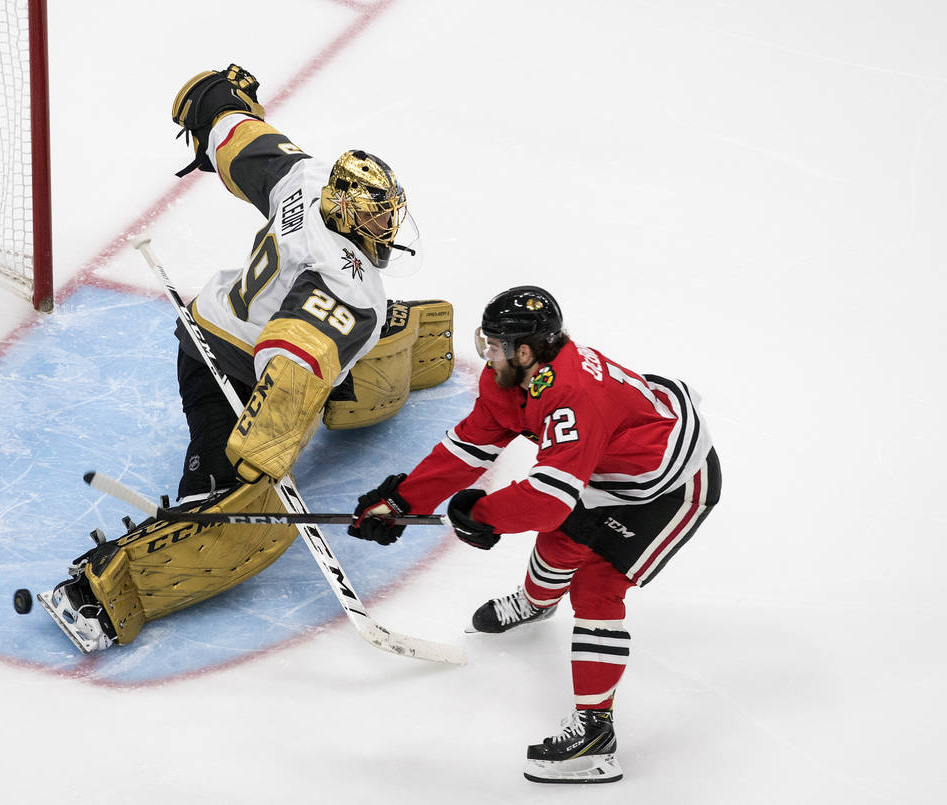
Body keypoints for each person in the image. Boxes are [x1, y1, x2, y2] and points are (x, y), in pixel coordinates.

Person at [37, 64, 454, 654]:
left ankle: (376, 369)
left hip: (223, 318)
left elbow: (242, 140)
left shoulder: (305, 180)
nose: (386, 227)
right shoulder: (346, 286)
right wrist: (264, 447)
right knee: (226, 495)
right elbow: (294, 357)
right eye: (375, 216)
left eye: (389, 213)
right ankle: (99, 598)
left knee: (362, 340)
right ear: (345, 211)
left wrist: (217, 104)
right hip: (227, 365)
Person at [350, 285, 721, 784]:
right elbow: (471, 445)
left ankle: (595, 739)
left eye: (495, 345)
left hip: (667, 487)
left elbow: (547, 500)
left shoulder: (571, 393)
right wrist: (402, 501)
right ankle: (537, 603)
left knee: (596, 586)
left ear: (525, 351)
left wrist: (483, 511)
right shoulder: (514, 377)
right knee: (557, 544)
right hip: (605, 469)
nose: (487, 353)